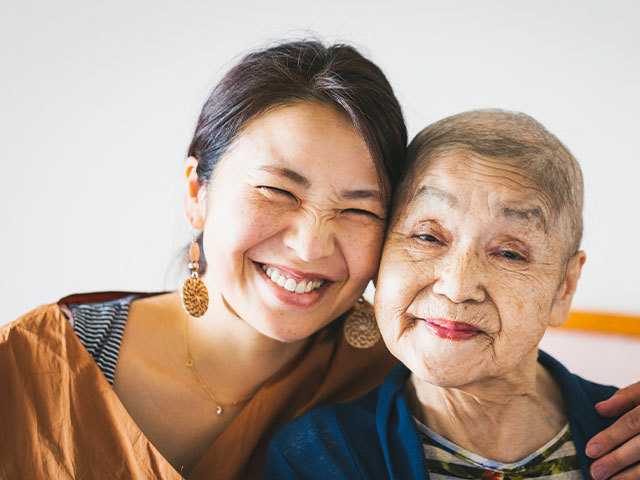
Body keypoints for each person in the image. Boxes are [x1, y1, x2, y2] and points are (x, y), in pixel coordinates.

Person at [0, 40, 407, 479]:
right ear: (197, 192)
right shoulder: (34, 366)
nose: (310, 247)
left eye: (358, 211)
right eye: (278, 192)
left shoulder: (401, 383)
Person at [265, 110, 640, 480]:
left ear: (564, 286)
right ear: (380, 260)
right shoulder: (321, 452)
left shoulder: (627, 432)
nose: (458, 287)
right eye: (427, 237)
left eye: (510, 253)